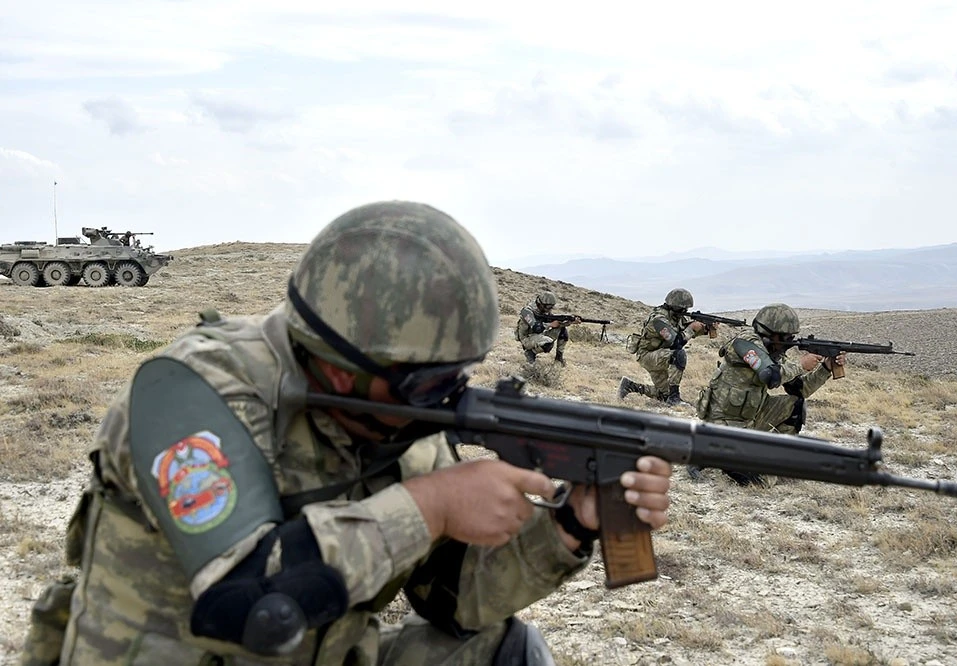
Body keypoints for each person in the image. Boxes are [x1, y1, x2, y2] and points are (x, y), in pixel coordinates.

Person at [22, 201, 673, 666]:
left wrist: (570, 528)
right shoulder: (190, 391)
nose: (442, 400)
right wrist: (434, 505)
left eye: (453, 376)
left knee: (505, 651)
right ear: (336, 361)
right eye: (422, 381)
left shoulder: (403, 419)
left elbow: (455, 603)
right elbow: (248, 607)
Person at [690, 302, 846, 485]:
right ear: (772, 332)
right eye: (787, 336)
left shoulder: (773, 351)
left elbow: (800, 389)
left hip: (750, 416)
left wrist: (825, 368)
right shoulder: (745, 343)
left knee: (795, 404)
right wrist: (800, 365)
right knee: (763, 480)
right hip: (724, 422)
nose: (790, 340)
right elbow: (770, 376)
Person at [617, 288, 711, 406]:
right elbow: (676, 343)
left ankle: (631, 386)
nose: (685, 311)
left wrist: (706, 328)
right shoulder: (659, 319)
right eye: (683, 308)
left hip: (659, 354)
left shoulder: (675, 317)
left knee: (663, 395)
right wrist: (692, 329)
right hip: (648, 355)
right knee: (678, 355)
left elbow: (683, 330)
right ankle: (674, 398)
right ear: (676, 306)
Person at [515, 291, 580, 366]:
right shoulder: (527, 311)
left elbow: (554, 322)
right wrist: (551, 324)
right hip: (526, 338)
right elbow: (537, 328)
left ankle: (559, 358)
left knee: (562, 330)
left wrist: (569, 322)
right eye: (548, 307)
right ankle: (531, 353)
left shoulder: (544, 310)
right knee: (548, 342)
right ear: (541, 304)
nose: (550, 309)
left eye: (551, 307)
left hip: (539, 335)